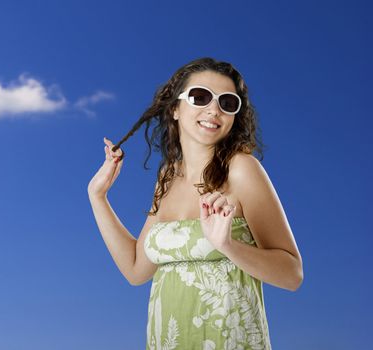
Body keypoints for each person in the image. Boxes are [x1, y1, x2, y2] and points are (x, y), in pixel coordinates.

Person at [87, 57, 303, 349]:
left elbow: (292, 274)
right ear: (175, 108)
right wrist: (97, 196)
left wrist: (228, 245)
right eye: (199, 97)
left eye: (227, 102)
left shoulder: (242, 170)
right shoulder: (168, 176)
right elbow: (136, 269)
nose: (213, 109)